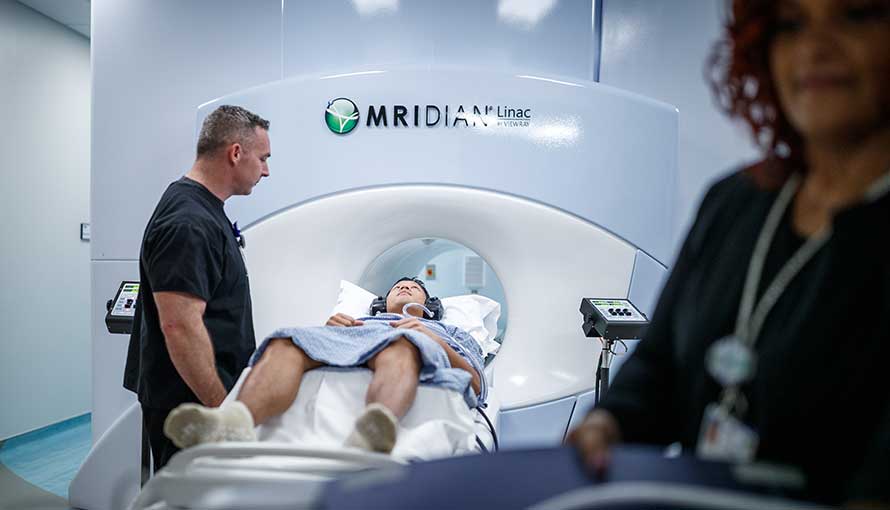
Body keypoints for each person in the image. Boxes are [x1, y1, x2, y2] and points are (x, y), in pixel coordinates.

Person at [569, 0, 890, 507]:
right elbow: (658, 367)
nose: (815, 47)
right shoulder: (735, 203)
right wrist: (609, 422)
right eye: (792, 24)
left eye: (855, 15)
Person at [162, 277, 486, 455]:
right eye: (397, 286)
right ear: (381, 301)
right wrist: (332, 330)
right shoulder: (358, 319)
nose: (404, 287)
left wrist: (433, 339)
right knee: (288, 340)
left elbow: (477, 385)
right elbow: (322, 347)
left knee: (401, 345)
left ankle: (373, 431)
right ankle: (234, 422)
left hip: (411, 343)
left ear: (429, 306)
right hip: (355, 337)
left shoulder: (447, 331)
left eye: (413, 288)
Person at [122, 105, 272, 471]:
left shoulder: (202, 208)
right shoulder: (188, 222)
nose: (266, 170)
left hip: (195, 399)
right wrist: (222, 409)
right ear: (235, 153)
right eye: (263, 158)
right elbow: (180, 326)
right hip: (190, 408)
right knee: (191, 494)